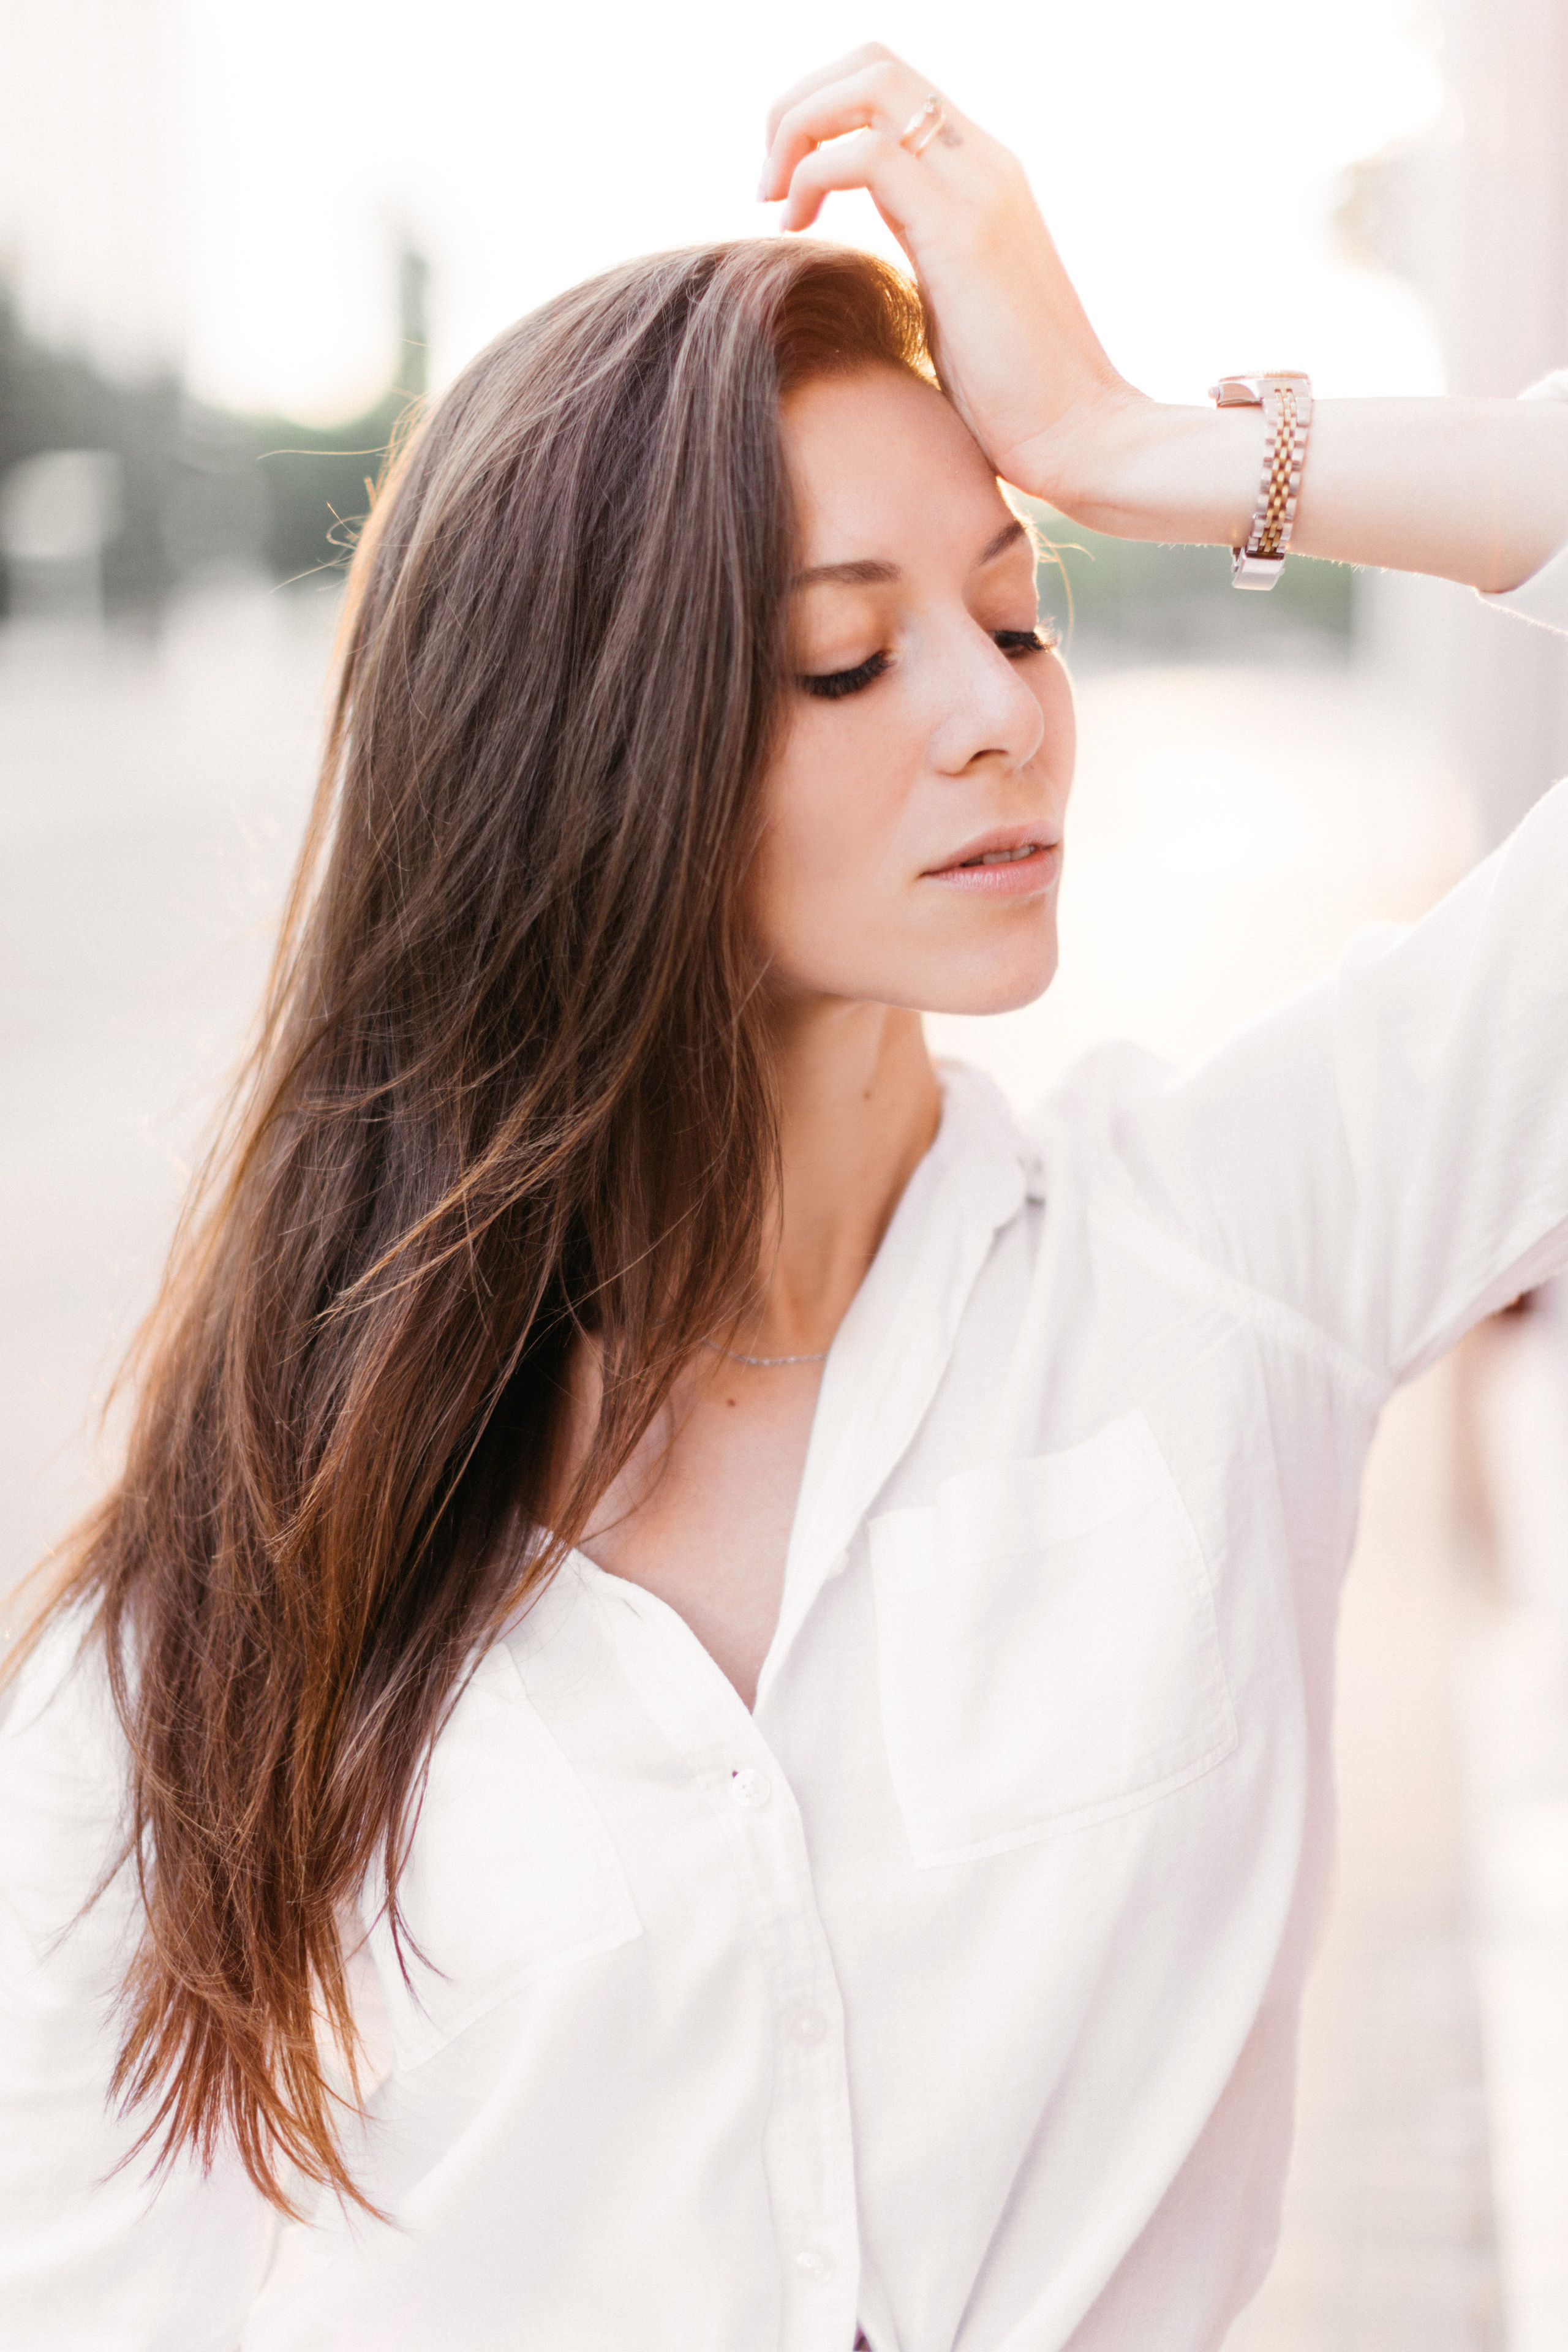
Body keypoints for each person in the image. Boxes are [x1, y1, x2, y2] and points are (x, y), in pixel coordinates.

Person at [4, 41, 1568, 2352]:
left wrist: (1151, 443)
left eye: (1022, 613)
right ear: (586, 756)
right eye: (847, 652)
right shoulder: (202, 1630)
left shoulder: (1232, 1254)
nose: (998, 713)